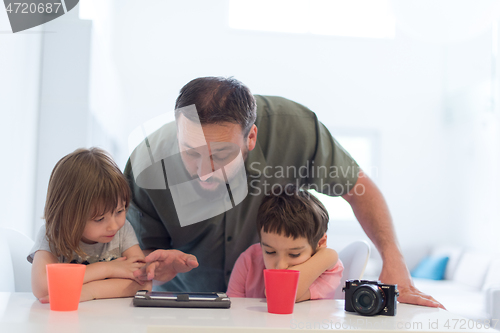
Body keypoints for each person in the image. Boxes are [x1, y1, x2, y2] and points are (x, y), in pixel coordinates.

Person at [127, 76, 443, 308]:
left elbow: (358, 189)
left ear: (250, 137)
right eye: (190, 152)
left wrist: (394, 259)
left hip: (274, 307)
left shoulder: (295, 129)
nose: (204, 171)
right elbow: (144, 263)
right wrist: (156, 270)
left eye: (221, 156)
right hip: (187, 302)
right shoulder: (147, 162)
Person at [29, 147, 153, 303]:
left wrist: (88, 291)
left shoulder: (123, 231)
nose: (114, 226)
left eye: (120, 211)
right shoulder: (52, 234)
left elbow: (144, 282)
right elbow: (42, 288)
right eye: (99, 219)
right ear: (68, 216)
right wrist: (108, 269)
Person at [227, 184, 343, 301]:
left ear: (320, 243)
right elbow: (232, 311)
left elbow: (280, 295)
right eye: (270, 252)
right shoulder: (249, 260)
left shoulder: (329, 268)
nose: (281, 266)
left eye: (294, 254)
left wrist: (329, 256)